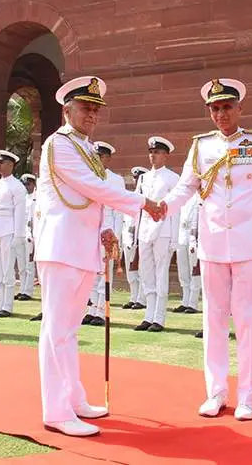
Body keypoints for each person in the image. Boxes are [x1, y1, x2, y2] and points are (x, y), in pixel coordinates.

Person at [36, 75, 161, 437]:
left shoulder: (88, 149)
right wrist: (143, 202)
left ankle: (74, 400)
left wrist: (106, 228)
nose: (91, 114)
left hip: (82, 246)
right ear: (67, 110)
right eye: (85, 108)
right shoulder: (58, 144)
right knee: (56, 331)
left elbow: (95, 197)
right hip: (60, 246)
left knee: (69, 331)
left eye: (95, 109)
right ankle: (56, 411)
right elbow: (92, 187)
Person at [160, 78, 252, 421]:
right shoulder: (201, 146)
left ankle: (247, 396)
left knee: (247, 322)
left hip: (250, 244)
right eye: (215, 109)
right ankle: (215, 392)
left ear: (239, 108)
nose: (221, 114)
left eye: (227, 107)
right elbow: (186, 187)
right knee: (213, 320)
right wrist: (161, 208)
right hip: (213, 243)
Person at [135, 136, 180, 332]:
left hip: (164, 229)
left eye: (157, 152)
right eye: (151, 152)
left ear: (165, 155)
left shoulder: (172, 178)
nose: (153, 156)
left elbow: (176, 210)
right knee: (147, 273)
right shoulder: (143, 178)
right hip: (145, 230)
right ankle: (148, 315)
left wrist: (175, 238)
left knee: (161, 273)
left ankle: (159, 318)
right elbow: (138, 206)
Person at [83, 141, 124, 327]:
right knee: (91, 272)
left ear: (107, 158)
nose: (97, 160)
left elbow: (118, 210)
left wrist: (116, 236)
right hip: (90, 227)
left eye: (100, 157)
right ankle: (91, 309)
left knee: (104, 272)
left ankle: (101, 311)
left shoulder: (115, 180)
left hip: (107, 227)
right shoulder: (88, 177)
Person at [0, 150, 26, 319]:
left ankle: (7, 305)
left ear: (11, 165)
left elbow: (20, 213)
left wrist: (18, 235)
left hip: (9, 229)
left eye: (2, 163)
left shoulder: (17, 186)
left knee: (7, 269)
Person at [120, 166, 148, 310]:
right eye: (135, 178)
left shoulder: (146, 199)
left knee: (142, 271)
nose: (136, 181)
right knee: (131, 271)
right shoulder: (130, 197)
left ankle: (142, 299)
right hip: (128, 238)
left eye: (139, 178)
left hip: (140, 238)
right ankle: (133, 297)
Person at [174, 193, 202, 314]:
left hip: (194, 237)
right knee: (183, 270)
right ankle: (185, 301)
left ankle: (193, 302)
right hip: (181, 235)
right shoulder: (182, 196)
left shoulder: (200, 196)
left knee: (194, 270)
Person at [16, 173, 36, 302]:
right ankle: (22, 289)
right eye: (24, 185)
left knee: (29, 264)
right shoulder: (22, 198)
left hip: (30, 234)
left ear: (33, 184)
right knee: (21, 265)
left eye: (28, 184)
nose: (26, 187)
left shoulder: (36, 199)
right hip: (20, 233)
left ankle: (28, 291)